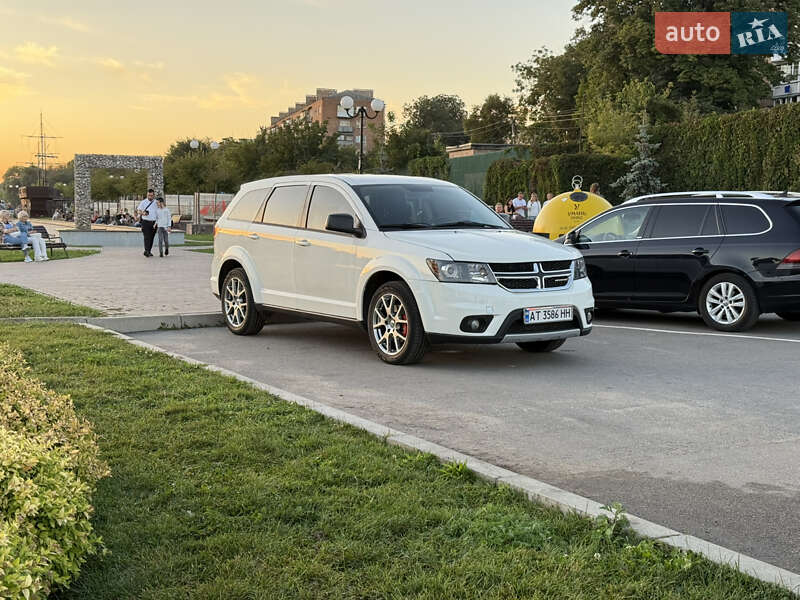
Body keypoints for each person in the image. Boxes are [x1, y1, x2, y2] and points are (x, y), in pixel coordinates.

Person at [137, 189, 158, 256]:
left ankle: (149, 251)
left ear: (154, 195)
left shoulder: (156, 202)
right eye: (149, 195)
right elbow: (138, 211)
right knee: (146, 237)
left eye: (151, 195)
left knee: (151, 237)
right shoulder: (143, 202)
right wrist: (143, 213)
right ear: (147, 195)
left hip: (154, 223)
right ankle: (146, 251)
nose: (150, 197)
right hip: (145, 222)